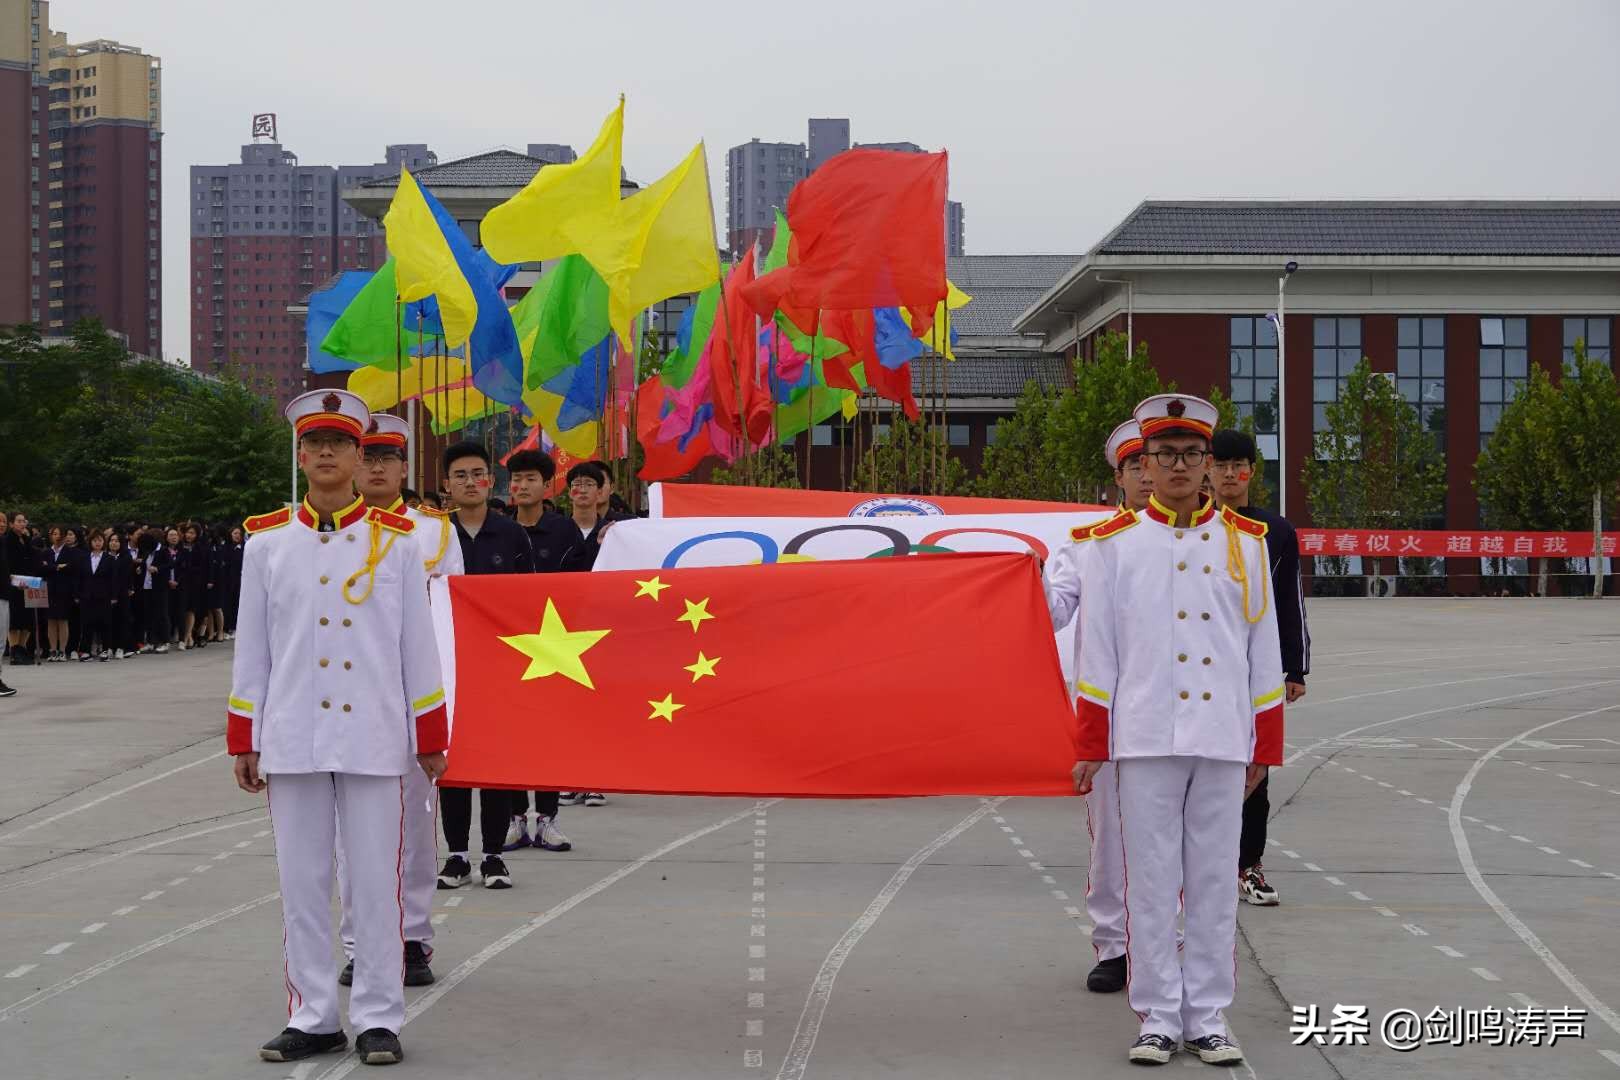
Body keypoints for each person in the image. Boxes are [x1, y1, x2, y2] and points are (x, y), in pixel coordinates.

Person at [227, 388, 448, 1066]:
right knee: (302, 880)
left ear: (359, 456)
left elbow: (420, 645)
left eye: (340, 443)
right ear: (299, 455)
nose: (326, 453)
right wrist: (245, 734)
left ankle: (379, 1014)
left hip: (376, 737)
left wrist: (431, 733)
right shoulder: (266, 547)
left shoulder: (400, 546)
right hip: (293, 734)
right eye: (314, 443)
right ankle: (314, 1014)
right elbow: (253, 648)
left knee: (375, 881)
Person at [1072, 394, 1284, 1067]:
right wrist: (1090, 745)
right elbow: (1096, 654)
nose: (1180, 466)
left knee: (1217, 881)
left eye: (1193, 454)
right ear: (1144, 464)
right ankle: (1159, 1015)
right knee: (1153, 882)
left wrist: (1265, 746)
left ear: (1208, 462)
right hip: (1143, 739)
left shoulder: (1246, 545)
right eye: (1165, 455)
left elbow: (1265, 652)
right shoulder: (1113, 548)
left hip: (1223, 738)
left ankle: (1210, 1015)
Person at [334, 412, 465, 989]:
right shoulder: (328, 529)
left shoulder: (434, 531)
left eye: (388, 457)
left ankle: (412, 938)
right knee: (347, 833)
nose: (378, 466)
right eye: (368, 456)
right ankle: (360, 942)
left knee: (413, 823)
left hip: (412, 699)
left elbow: (451, 619)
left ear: (404, 467)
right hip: (345, 697)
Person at [1042, 419, 1152, 996]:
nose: (1144, 474)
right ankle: (1115, 945)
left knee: (1177, 838)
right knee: (1111, 835)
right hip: (1110, 714)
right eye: (1134, 466)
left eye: (1150, 463)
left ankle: (1163, 939)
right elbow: (1052, 610)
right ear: (1120, 476)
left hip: (1181, 714)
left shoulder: (1205, 542)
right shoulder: (1088, 545)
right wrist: (1019, 585)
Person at [1210, 429, 1311, 908]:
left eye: (1239, 465)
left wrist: (1295, 667)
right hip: (1200, 671)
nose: (1230, 475)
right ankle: (1198, 866)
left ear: (1252, 470)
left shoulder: (1277, 532)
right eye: (1221, 464)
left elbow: (1290, 604)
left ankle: (1248, 865)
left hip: (1256, 671)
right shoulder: (1189, 526)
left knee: (1257, 769)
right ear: (1207, 469)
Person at [440, 439, 532, 889]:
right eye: (460, 475)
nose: (470, 482)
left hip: (500, 667)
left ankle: (494, 856)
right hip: (448, 666)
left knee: (495, 764)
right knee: (452, 764)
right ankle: (457, 855)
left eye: (478, 474)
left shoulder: (512, 535)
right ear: (446, 485)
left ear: (490, 482)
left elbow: (531, 602)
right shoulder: (434, 536)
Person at [503, 448, 575, 851]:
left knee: (549, 736)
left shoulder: (564, 532)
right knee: (513, 736)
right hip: (508, 648)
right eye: (516, 479)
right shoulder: (497, 529)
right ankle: (516, 818)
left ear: (548, 486)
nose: (522, 486)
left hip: (556, 649)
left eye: (531, 479)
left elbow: (585, 588)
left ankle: (547, 818)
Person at [556, 461, 629, 807]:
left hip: (605, 631)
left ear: (603, 491)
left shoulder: (620, 533)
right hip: (562, 632)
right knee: (568, 706)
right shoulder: (556, 530)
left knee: (600, 706)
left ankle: (596, 778)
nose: (581, 490)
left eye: (589, 484)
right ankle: (570, 776)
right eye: (576, 484)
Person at [79, 530, 119, 661]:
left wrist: (114, 596)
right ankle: (85, 651)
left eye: (100, 540)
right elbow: (80, 578)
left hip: (104, 595)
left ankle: (106, 650)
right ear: (90, 542)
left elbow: (114, 579)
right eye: (95, 540)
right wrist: (78, 594)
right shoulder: (84, 557)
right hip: (87, 595)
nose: (97, 543)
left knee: (105, 623)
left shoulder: (109, 558)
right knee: (87, 623)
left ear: (104, 542)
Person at [4, 511, 35, 668]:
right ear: (11, 523)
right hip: (13, 584)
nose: (23, 524)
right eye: (19, 521)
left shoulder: (27, 539)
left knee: (27, 618)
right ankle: (14, 650)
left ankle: (22, 649)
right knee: (15, 619)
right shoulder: (7, 540)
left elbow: (33, 558)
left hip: (28, 582)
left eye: (24, 521)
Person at [106, 531, 135, 659]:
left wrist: (130, 588)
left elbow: (128, 576)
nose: (114, 543)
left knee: (122, 620)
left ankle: (121, 647)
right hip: (106, 593)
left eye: (117, 541)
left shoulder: (126, 557)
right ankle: (110, 646)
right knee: (109, 620)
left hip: (122, 592)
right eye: (112, 540)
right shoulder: (104, 557)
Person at [220, 526, 245, 639]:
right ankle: (226, 628)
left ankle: (235, 628)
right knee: (227, 604)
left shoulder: (244, 548)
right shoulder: (226, 547)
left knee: (237, 605)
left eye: (239, 533)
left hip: (240, 580)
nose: (237, 535)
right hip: (227, 580)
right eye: (235, 533)